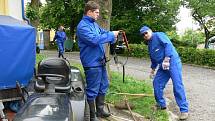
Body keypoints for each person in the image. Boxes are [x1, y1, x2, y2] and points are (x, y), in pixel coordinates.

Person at [76, 1, 119, 121]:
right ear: (89, 12)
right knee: (92, 90)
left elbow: (104, 33)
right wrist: (111, 35)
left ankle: (100, 110)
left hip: (100, 62)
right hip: (91, 63)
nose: (98, 15)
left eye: (99, 13)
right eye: (96, 12)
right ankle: (92, 116)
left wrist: (113, 37)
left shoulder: (94, 25)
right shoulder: (82, 26)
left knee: (103, 85)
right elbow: (94, 40)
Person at [139, 26, 189, 120]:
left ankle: (184, 110)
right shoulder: (149, 45)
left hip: (173, 63)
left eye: (146, 32)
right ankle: (161, 104)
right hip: (163, 66)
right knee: (156, 83)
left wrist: (167, 59)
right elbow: (153, 59)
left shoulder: (158, 35)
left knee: (177, 86)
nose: (145, 35)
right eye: (143, 35)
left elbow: (168, 45)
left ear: (150, 31)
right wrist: (153, 69)